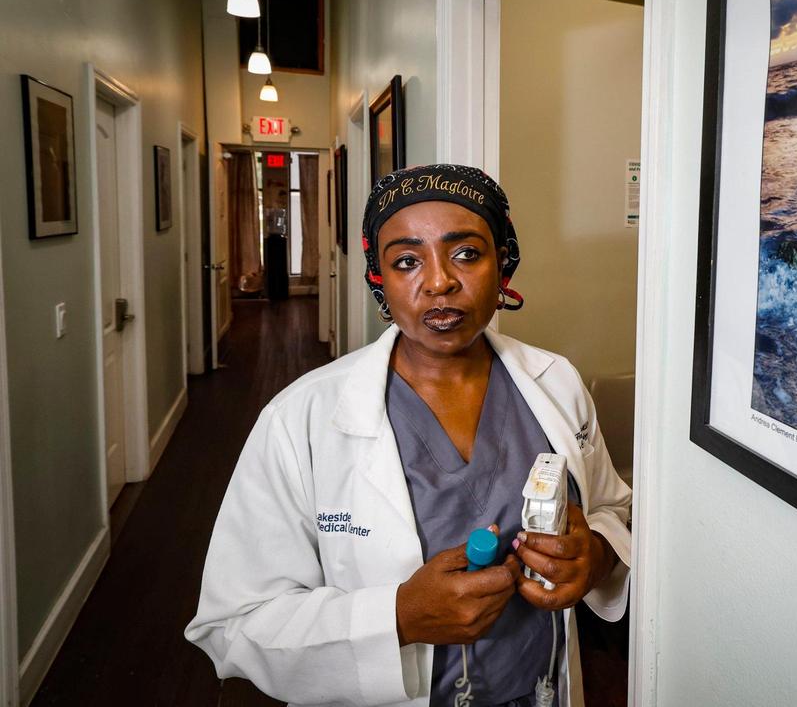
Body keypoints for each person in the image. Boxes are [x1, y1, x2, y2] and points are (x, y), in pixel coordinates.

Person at [185, 164, 633, 707]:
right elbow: (234, 623)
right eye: (406, 261)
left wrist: (598, 555)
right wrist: (397, 618)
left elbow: (614, 509)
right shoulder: (300, 418)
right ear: (380, 278)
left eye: (467, 253)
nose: (439, 281)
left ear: (503, 266)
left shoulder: (556, 382)